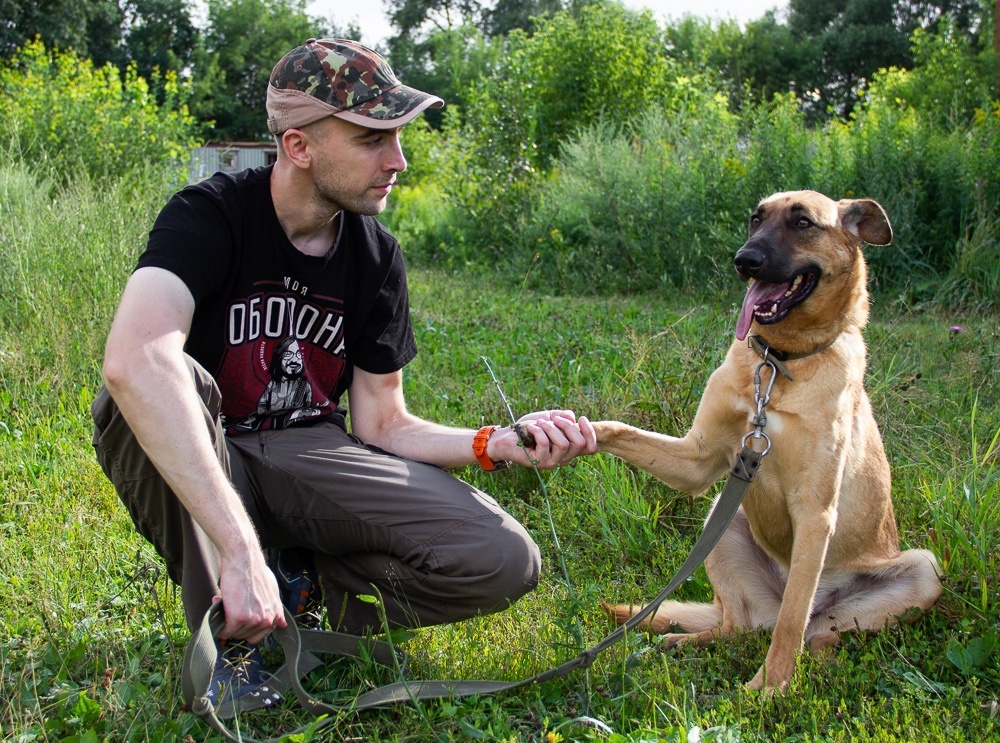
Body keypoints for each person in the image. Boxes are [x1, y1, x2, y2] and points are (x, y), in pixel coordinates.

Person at [91, 38, 597, 711]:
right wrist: (238, 543)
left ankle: (303, 591)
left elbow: (384, 421)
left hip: (308, 453)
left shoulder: (374, 253)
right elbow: (135, 359)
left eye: (399, 137)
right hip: (208, 451)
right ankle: (228, 648)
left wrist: (492, 442)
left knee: (504, 557)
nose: (399, 161)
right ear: (298, 147)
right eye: (371, 139)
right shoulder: (209, 215)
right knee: (143, 389)